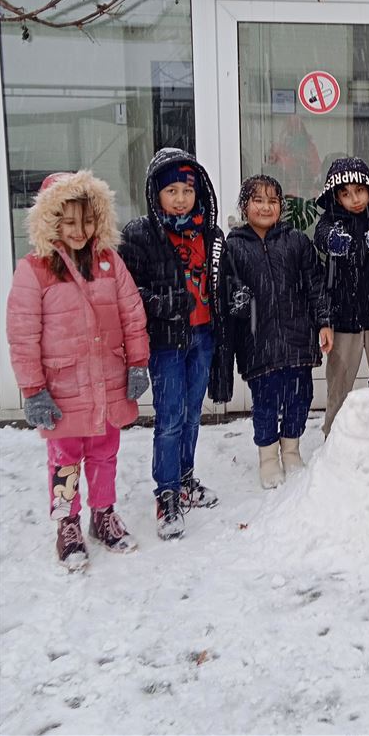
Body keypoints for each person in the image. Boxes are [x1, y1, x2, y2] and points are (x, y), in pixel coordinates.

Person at [6, 171, 150, 571]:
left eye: (87, 221)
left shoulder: (109, 263)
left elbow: (132, 314)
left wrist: (137, 363)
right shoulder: (35, 269)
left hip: (107, 380)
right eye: (68, 222)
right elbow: (22, 334)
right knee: (65, 457)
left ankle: (102, 513)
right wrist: (33, 389)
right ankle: (66, 523)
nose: (79, 231)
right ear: (49, 221)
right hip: (63, 385)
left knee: (105, 451)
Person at [119, 148, 229, 541]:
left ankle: (185, 478)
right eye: (172, 191)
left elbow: (222, 281)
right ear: (155, 193)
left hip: (203, 337)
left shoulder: (210, 234)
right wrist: (163, 305)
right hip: (167, 342)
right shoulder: (140, 235)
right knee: (169, 418)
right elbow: (128, 293)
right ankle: (165, 492)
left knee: (193, 413)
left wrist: (232, 300)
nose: (181, 197)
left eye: (187, 189)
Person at [221, 175, 333, 489]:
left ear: (281, 206)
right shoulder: (234, 246)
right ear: (245, 206)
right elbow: (227, 294)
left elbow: (315, 285)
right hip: (258, 341)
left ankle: (291, 449)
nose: (266, 206)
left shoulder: (296, 240)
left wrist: (323, 322)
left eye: (272, 200)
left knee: (300, 398)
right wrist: (237, 301)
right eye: (258, 200)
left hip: (297, 337)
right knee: (266, 403)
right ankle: (268, 457)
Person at [313, 157, 369, 437]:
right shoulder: (331, 221)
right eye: (345, 193)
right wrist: (331, 241)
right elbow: (320, 235)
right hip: (344, 317)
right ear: (335, 197)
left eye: (359, 190)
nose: (354, 199)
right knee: (339, 382)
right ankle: (333, 437)